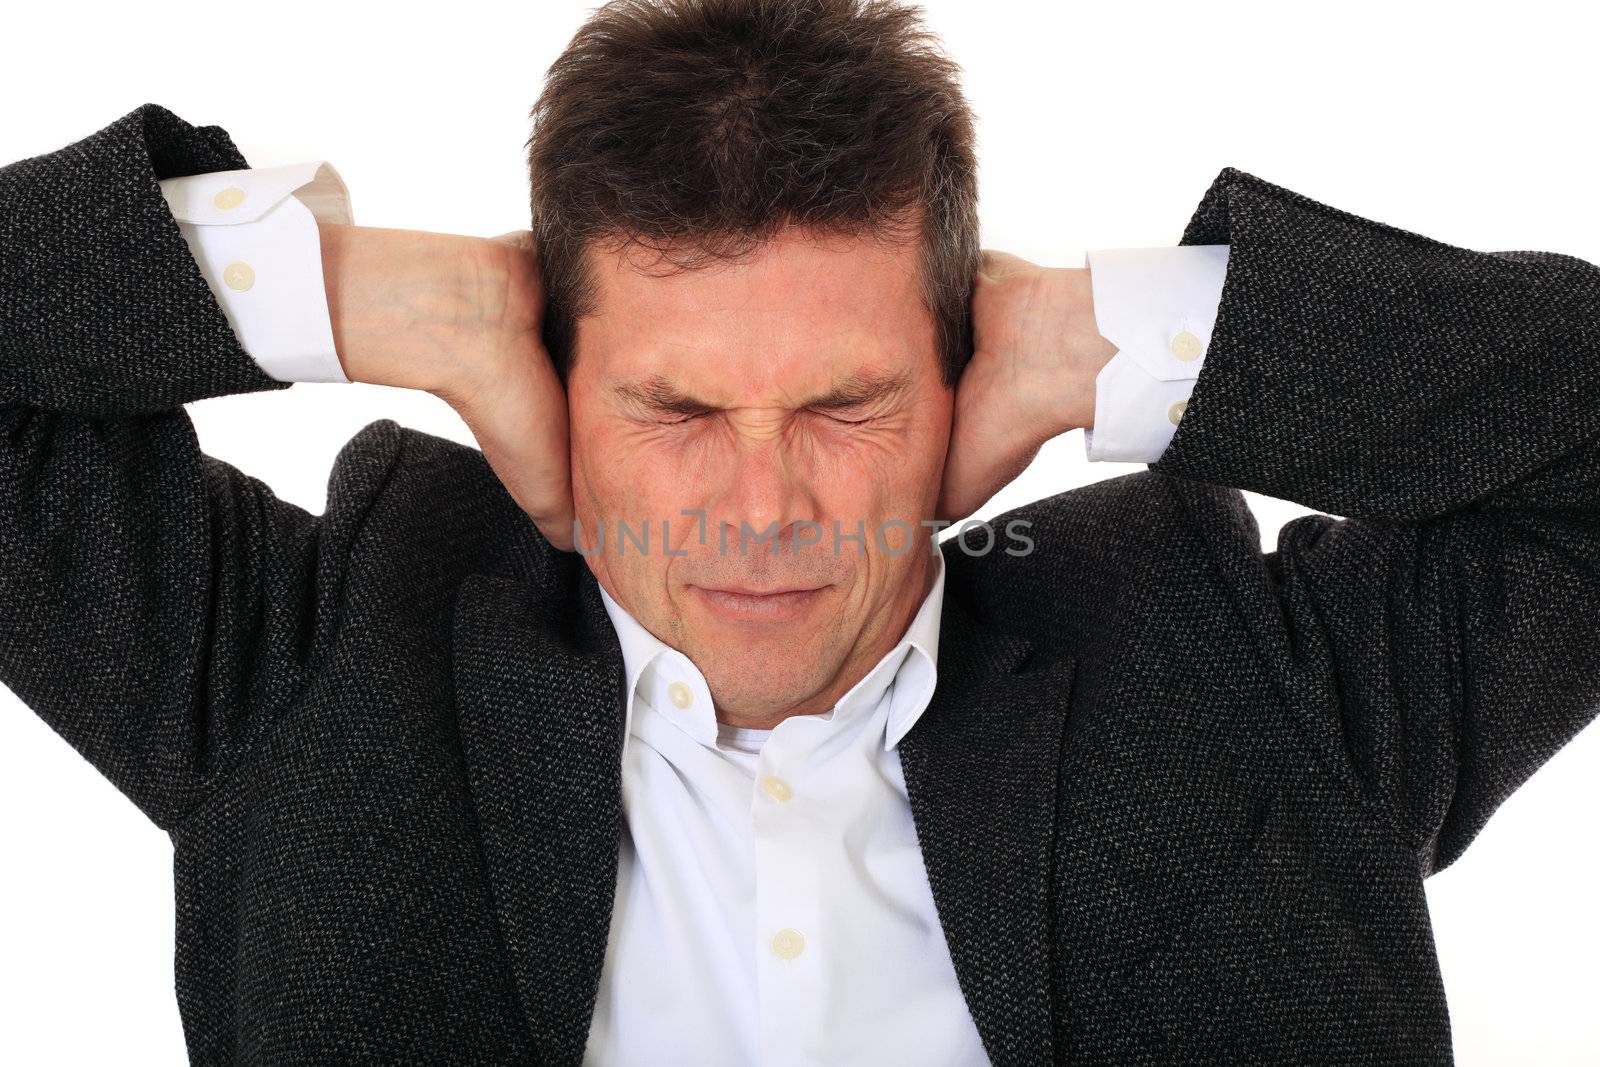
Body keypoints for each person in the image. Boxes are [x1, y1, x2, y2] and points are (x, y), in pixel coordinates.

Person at [2, 0, 1597, 1063]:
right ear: (542, 379)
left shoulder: (1234, 651)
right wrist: (350, 294)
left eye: (845, 405)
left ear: (967, 368)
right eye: (677, 412)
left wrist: (1119, 339)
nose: (763, 510)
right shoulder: (324, 647)